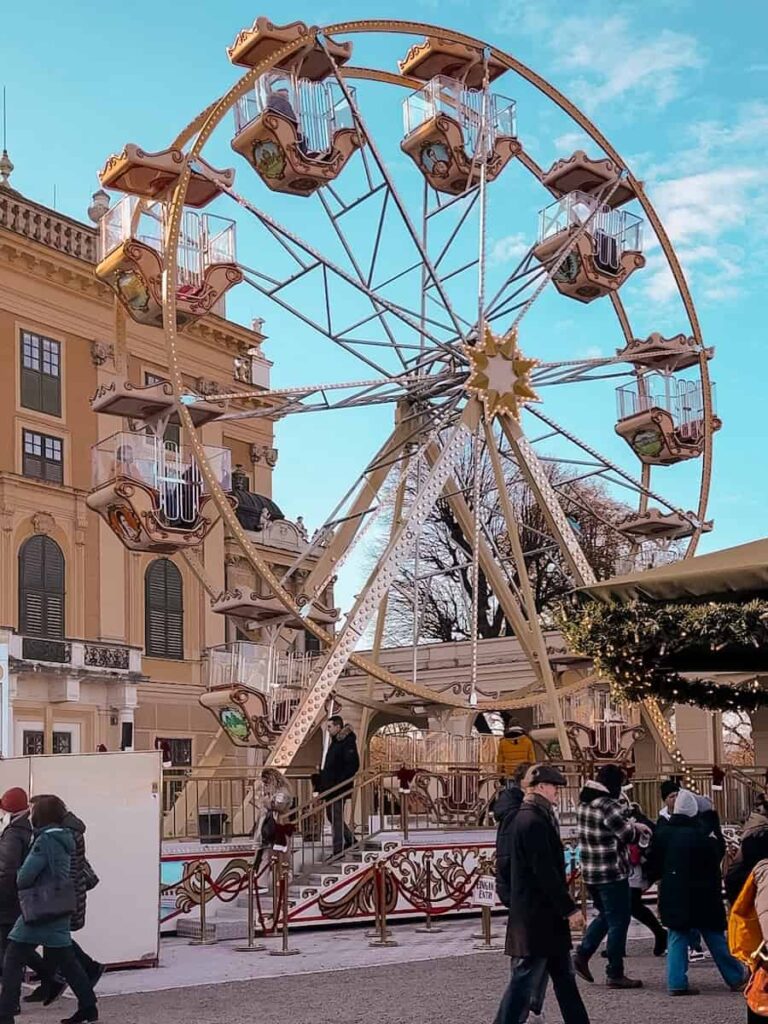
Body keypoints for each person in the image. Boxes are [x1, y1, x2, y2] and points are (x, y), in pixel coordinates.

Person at [494, 763, 590, 1024]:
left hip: (540, 915)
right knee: (524, 982)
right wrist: (569, 909)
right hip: (538, 916)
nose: (557, 793)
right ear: (541, 787)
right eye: (554, 788)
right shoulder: (533, 820)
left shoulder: (531, 817)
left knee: (564, 978)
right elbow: (545, 872)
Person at [0, 794, 97, 1024]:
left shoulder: (44, 842)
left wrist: (23, 870)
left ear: (41, 814)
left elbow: (24, 877)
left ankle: (5, 1013)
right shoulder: (66, 838)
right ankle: (88, 1006)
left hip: (39, 908)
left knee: (12, 957)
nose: (30, 814)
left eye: (32, 810)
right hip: (58, 907)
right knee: (68, 961)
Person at [647, 788, 747, 997]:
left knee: (677, 935)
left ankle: (676, 982)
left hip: (673, 891)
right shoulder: (701, 836)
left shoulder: (663, 833)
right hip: (702, 894)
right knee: (714, 936)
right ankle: (736, 976)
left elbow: (654, 861)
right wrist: (712, 817)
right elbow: (717, 853)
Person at [573, 764, 648, 989]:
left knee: (606, 915)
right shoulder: (608, 805)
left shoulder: (584, 802)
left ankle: (582, 955)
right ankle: (614, 972)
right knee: (619, 920)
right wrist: (639, 827)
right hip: (611, 871)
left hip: (590, 871)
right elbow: (627, 834)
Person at [25, 799, 103, 1004]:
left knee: (53, 936)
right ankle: (57, 983)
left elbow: (58, 868)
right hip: (64, 892)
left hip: (60, 893)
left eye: (33, 809)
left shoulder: (59, 835)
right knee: (55, 938)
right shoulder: (66, 831)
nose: (30, 813)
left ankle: (85, 971)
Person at [495, 766, 549, 1024]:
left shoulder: (518, 812)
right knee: (528, 961)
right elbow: (510, 858)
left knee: (542, 960)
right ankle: (524, 1011)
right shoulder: (521, 815)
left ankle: (531, 1008)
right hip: (526, 894)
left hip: (525, 893)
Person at [0, 789, 45, 990]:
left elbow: (7, 869)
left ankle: (10, 996)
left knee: (9, 947)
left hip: (8, 897)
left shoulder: (13, 832)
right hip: (19, 896)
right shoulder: (28, 829)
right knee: (15, 945)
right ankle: (52, 975)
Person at [621, 797, 667, 957]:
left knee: (631, 905)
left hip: (634, 869)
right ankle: (618, 943)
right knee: (627, 906)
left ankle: (659, 932)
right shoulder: (637, 821)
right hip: (632, 869)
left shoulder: (635, 822)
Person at [317, 715, 360, 857]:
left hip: (338, 787)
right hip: (331, 786)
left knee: (335, 816)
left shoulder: (347, 742)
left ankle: (338, 850)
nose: (328, 730)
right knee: (332, 816)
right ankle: (351, 840)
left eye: (329, 727)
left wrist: (340, 782)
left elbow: (353, 764)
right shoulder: (336, 742)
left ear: (338, 726)